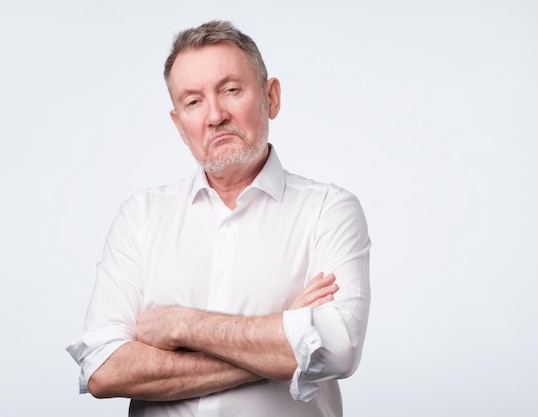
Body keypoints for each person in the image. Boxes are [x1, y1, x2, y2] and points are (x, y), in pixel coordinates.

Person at [66, 20, 371, 417]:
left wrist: (181, 325)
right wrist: (282, 335)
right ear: (179, 125)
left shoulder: (329, 210)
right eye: (193, 101)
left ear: (271, 97)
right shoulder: (140, 216)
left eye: (231, 90)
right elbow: (103, 371)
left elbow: (337, 348)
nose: (214, 115)